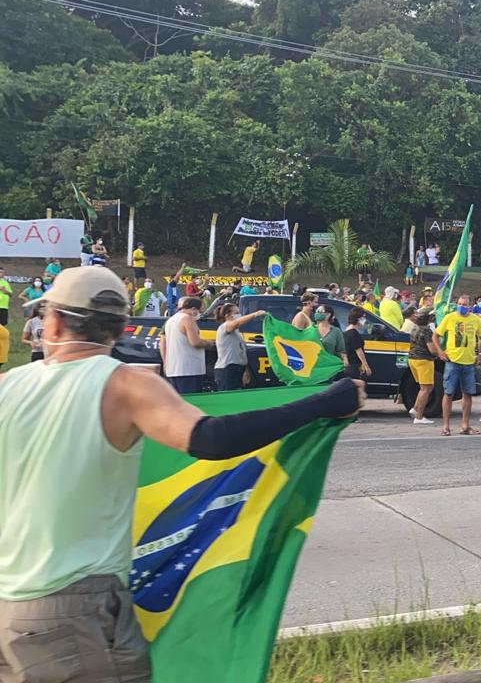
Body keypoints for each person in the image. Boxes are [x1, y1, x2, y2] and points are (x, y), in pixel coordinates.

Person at [0, 267, 364, 682]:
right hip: (73, 608)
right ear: (119, 329)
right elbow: (211, 439)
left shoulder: (8, 384)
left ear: (56, 321)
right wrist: (323, 402)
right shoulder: (124, 385)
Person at [433, 294, 481, 436]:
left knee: (467, 394)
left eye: (465, 304)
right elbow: (436, 335)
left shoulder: (475, 320)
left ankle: (465, 425)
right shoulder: (450, 318)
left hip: (469, 363)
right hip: (452, 362)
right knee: (448, 393)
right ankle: (445, 426)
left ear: (470, 306)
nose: (462, 306)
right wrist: (440, 352)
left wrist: (479, 354)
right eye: (460, 304)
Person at [160, 296, 212, 394]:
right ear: (193, 309)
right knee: (191, 402)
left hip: (174, 369)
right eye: (200, 312)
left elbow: (163, 341)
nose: (199, 315)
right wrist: (209, 343)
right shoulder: (187, 319)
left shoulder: (171, 320)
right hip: (189, 369)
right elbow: (195, 342)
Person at [213, 302, 266, 391]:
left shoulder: (236, 332)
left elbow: (241, 351)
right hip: (227, 369)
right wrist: (255, 314)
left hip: (238, 369)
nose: (239, 315)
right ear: (227, 315)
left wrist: (245, 370)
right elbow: (236, 323)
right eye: (236, 313)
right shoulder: (224, 327)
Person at [407, 308, 438, 425]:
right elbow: (432, 349)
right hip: (423, 360)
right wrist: (441, 352)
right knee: (426, 389)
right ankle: (419, 417)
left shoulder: (414, 328)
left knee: (424, 387)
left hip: (413, 359)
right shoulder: (426, 331)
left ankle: (415, 408)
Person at [315, 304, 347, 369]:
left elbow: (341, 350)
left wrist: (345, 360)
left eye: (320, 311)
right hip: (314, 367)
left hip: (329, 367)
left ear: (328, 315)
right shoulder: (311, 329)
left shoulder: (336, 331)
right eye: (317, 311)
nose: (317, 313)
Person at [344, 308, 373, 381]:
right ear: (357, 318)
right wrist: (366, 366)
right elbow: (359, 351)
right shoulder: (353, 333)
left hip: (350, 365)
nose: (364, 320)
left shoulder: (347, 331)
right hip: (355, 366)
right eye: (363, 317)